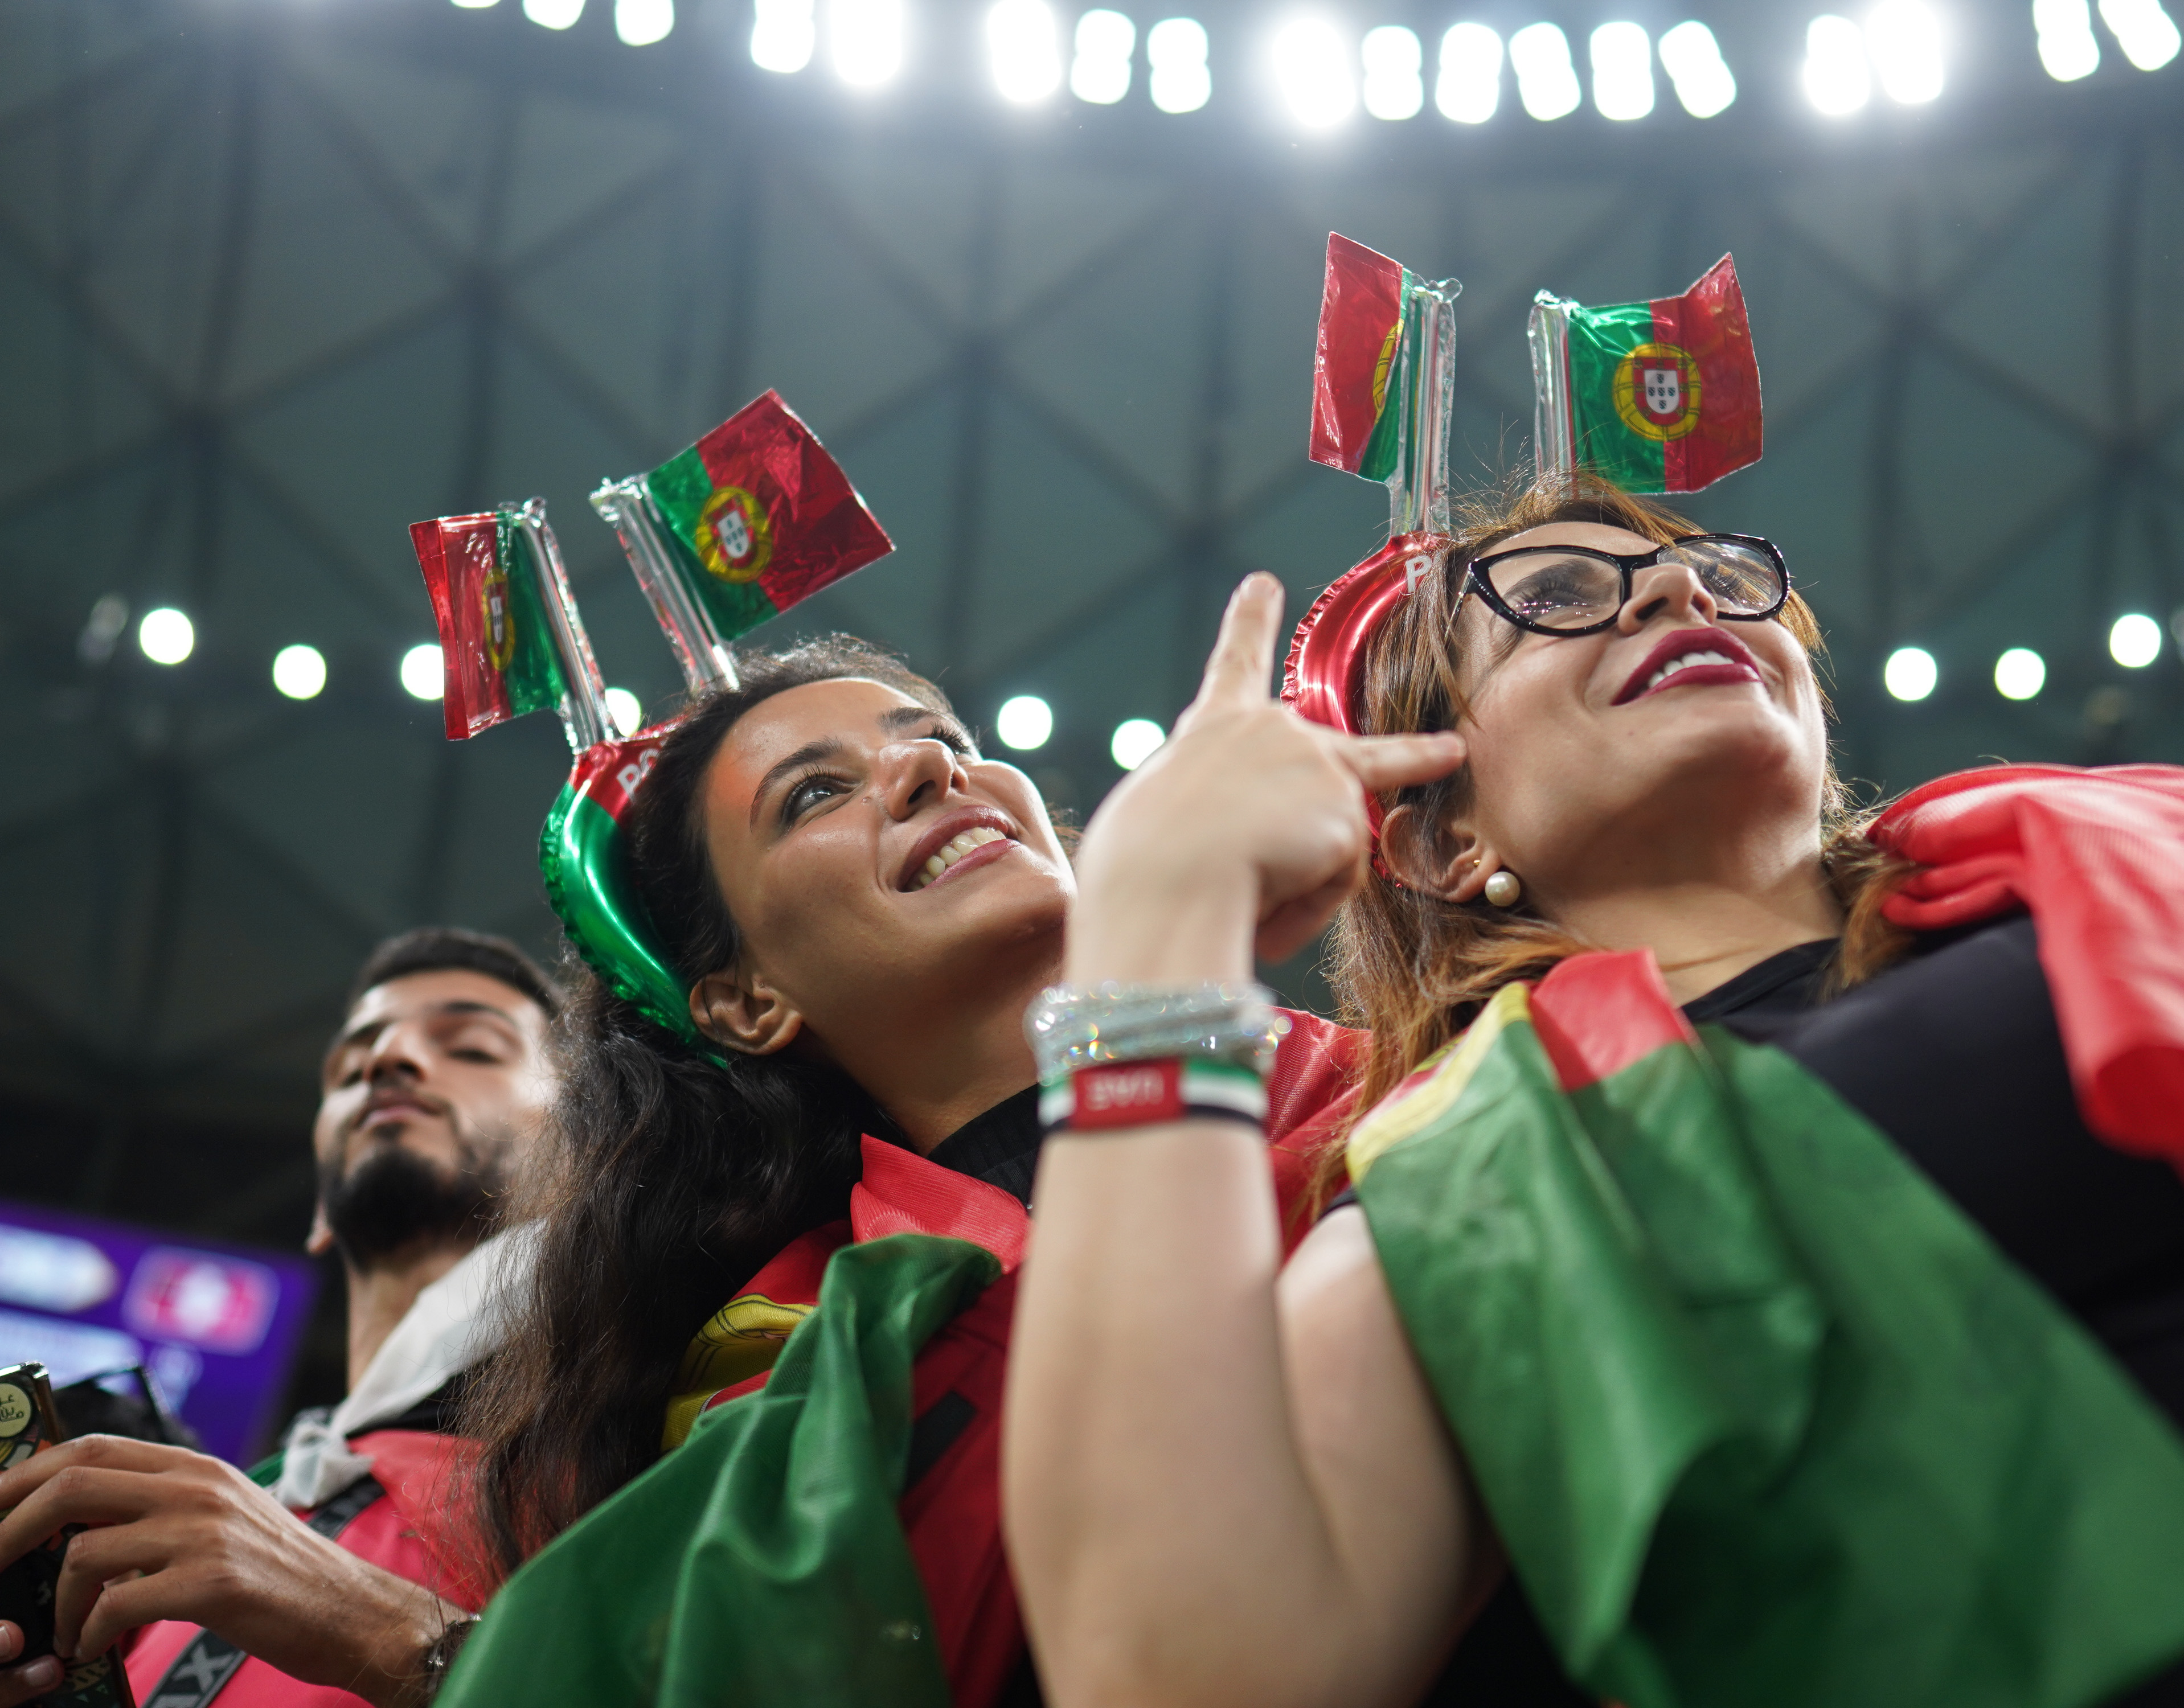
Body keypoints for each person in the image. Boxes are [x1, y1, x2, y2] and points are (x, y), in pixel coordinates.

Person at [1004, 219, 2184, 1707]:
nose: (1677, 586)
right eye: (1553, 598)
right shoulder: (1481, 1177)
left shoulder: (2163, 868)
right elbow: (1182, 1665)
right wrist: (1152, 930)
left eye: (1716, 574)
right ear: (1438, 837)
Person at [433, 637, 1438, 1708]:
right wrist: (1160, 960)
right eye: (814, 794)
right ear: (748, 1002)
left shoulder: (1427, 1080)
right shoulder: (791, 1376)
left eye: (945, 739)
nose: (932, 769)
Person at [0, 928, 560, 1708]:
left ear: (585, 1161)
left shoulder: (638, 1453)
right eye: (349, 1067)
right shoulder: (209, 1531)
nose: (386, 1058)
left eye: (473, 1048)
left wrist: (390, 1637)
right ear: (323, 1210)